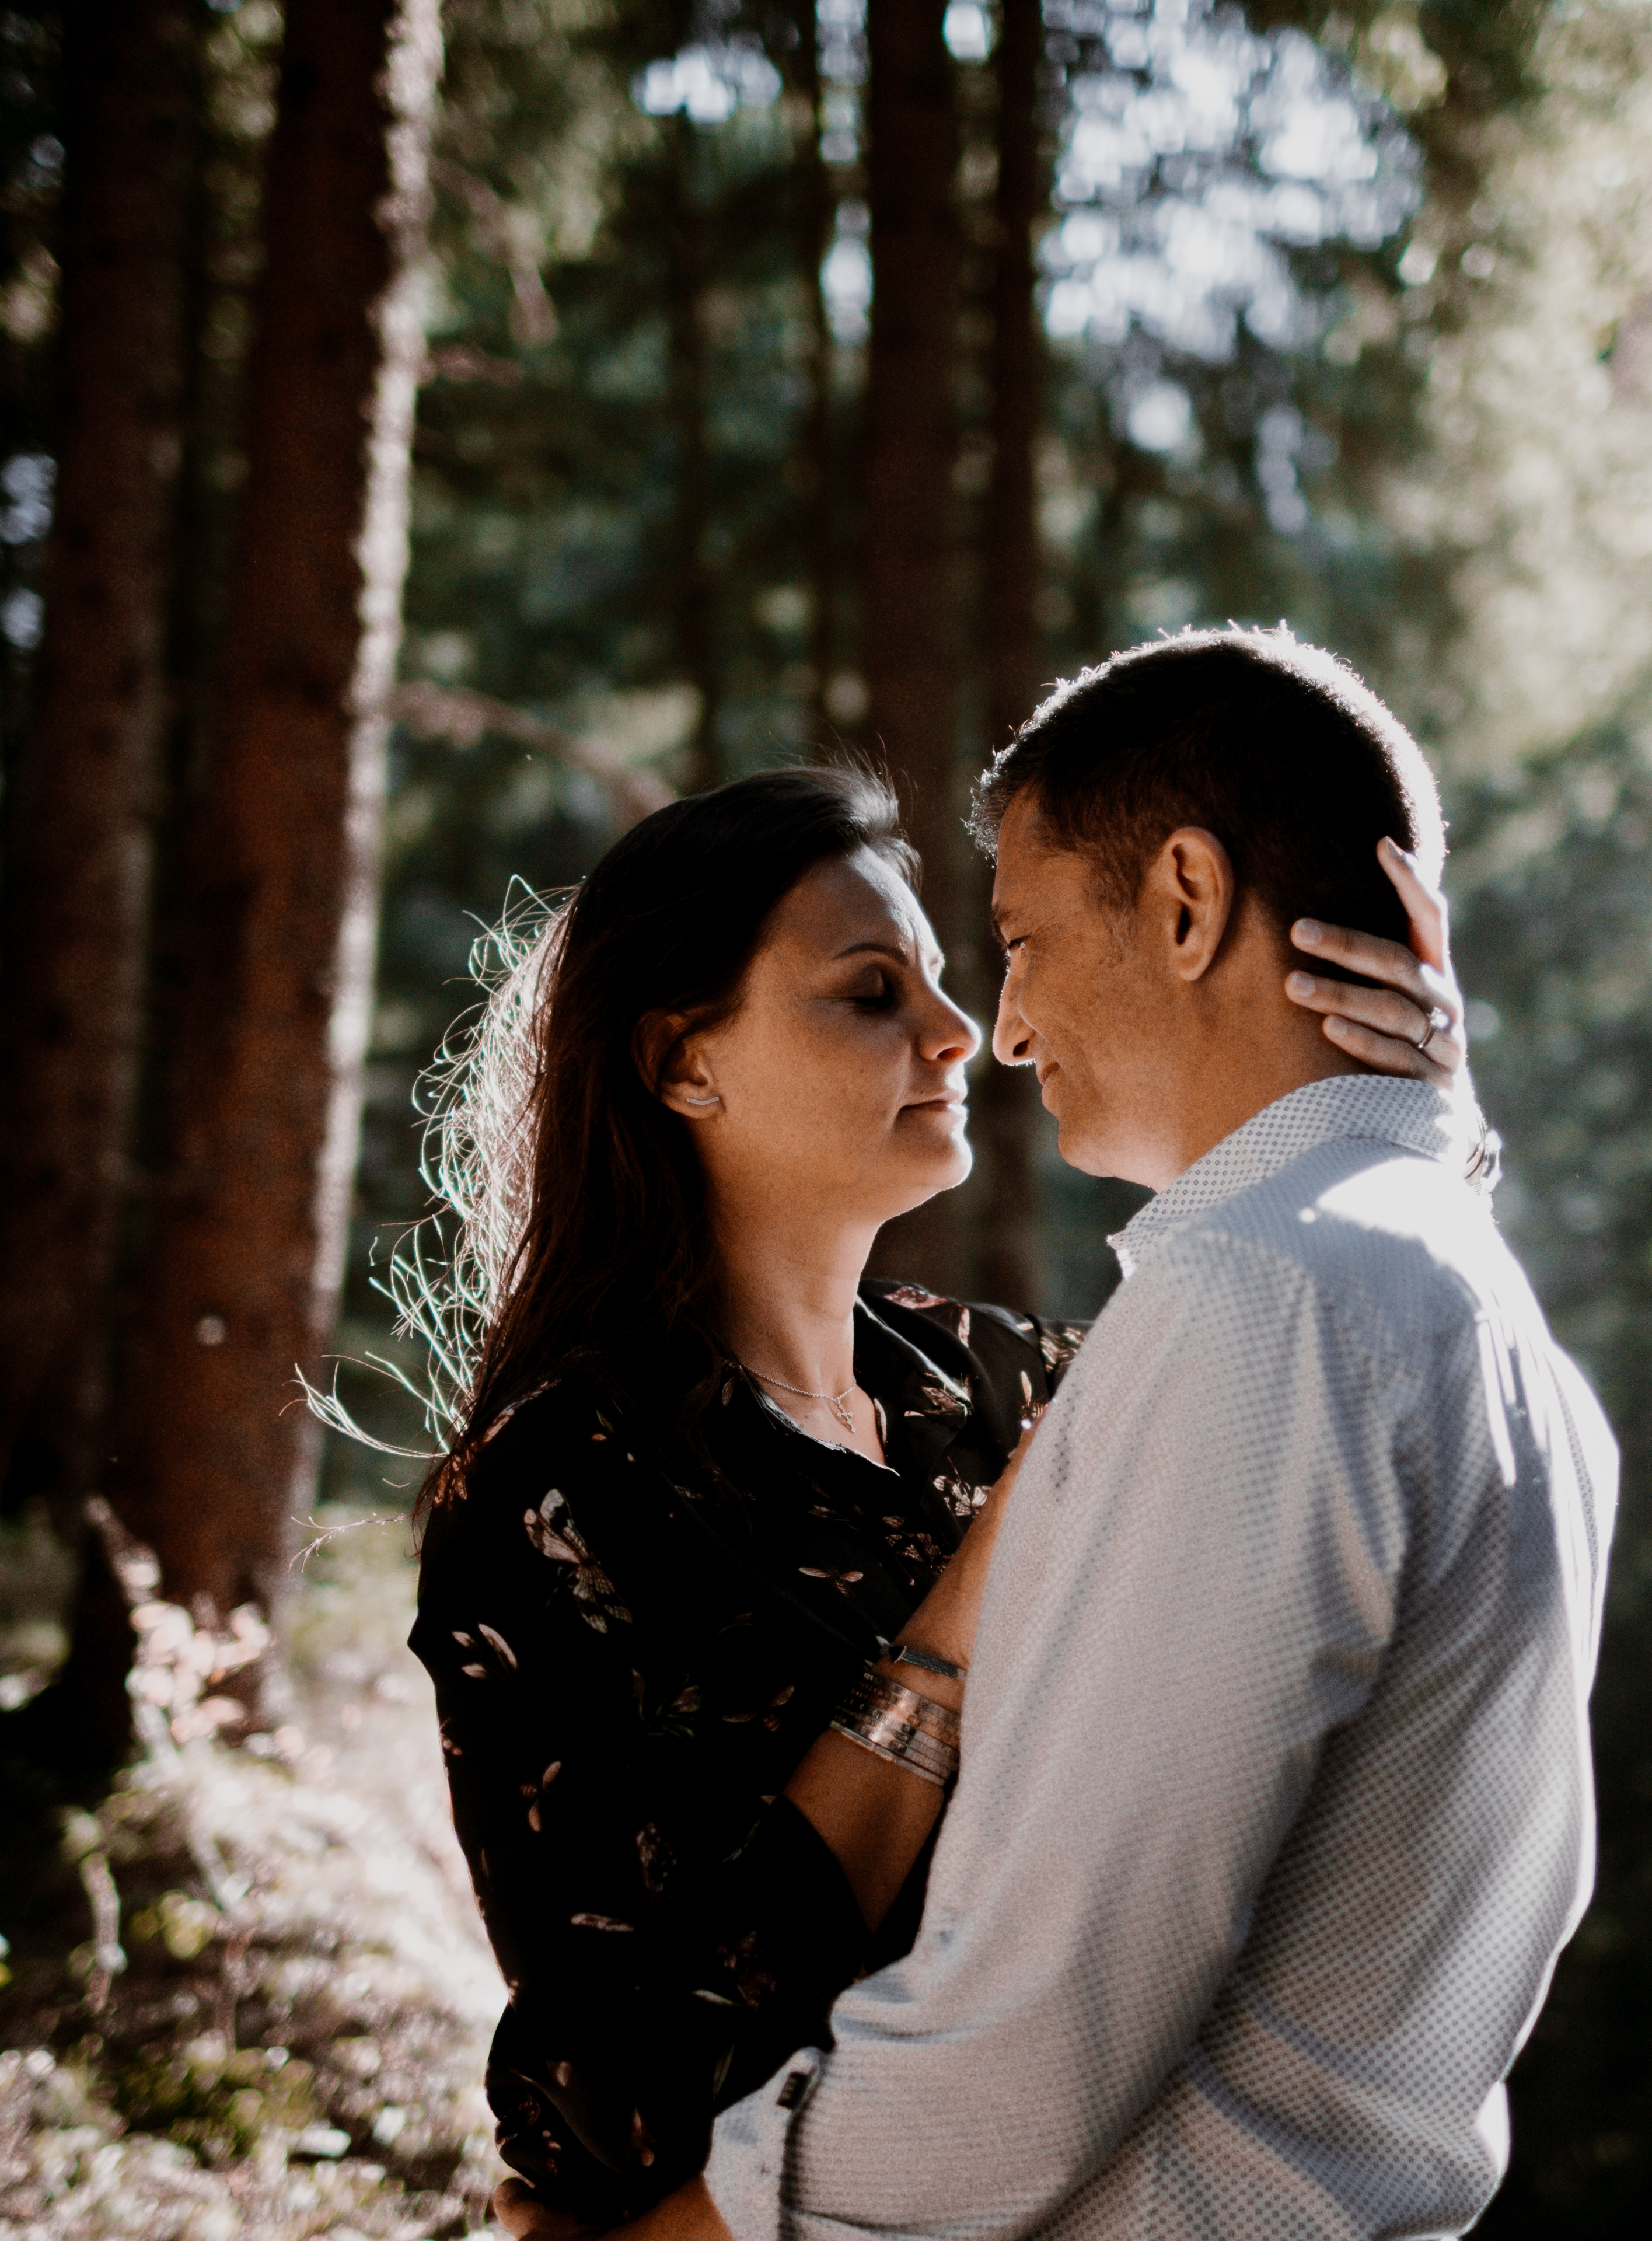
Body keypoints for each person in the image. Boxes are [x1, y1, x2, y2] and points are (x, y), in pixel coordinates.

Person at [602, 628, 1620, 2241]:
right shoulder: (1489, 1324)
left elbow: (1021, 2055)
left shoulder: (1262, 1296)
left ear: (1188, 901)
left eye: (1018, 939)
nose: (1000, 1030)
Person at [397, 760, 1469, 2225]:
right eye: (869, 992)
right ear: (682, 1064)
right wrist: (964, 1617)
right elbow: (618, 2087)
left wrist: (1420, 1120)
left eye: (945, 978)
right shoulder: (559, 1487)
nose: (962, 1033)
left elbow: (1346, 1398)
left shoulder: (1006, 1384)